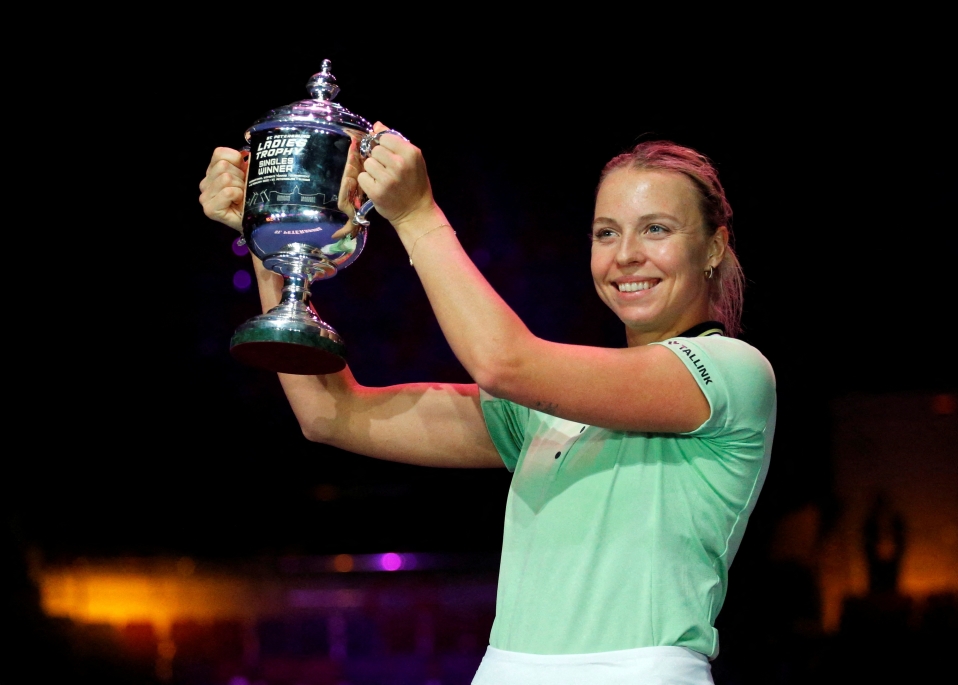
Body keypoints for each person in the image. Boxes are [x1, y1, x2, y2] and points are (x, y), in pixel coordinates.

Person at [199, 129, 777, 685]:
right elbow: (329, 414)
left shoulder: (733, 371)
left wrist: (417, 215)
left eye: (656, 229)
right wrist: (275, 241)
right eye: (606, 233)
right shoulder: (542, 408)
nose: (626, 255)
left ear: (714, 246)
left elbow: (504, 363)